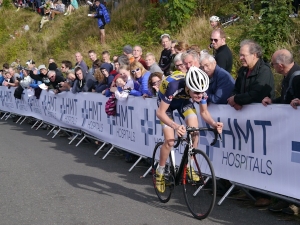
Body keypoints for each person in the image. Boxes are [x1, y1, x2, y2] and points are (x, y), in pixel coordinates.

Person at [155, 67, 223, 193]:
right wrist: (175, 126)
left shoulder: (201, 88)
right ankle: (160, 171)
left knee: (194, 131)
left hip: (183, 102)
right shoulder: (173, 86)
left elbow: (204, 112)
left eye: (202, 93)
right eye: (196, 93)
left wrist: (214, 124)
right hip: (166, 106)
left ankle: (190, 166)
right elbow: (160, 113)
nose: (200, 95)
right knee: (170, 141)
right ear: (188, 86)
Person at [227, 39, 275, 110]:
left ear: (254, 55)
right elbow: (236, 89)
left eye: (243, 55)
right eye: (240, 55)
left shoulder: (264, 71)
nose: (240, 58)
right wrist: (235, 102)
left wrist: (236, 99)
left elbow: (256, 94)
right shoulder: (243, 70)